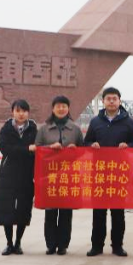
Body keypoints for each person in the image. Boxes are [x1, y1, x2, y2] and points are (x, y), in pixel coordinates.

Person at [84, 87, 133, 257]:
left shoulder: (129, 122)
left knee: (118, 212)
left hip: (119, 173)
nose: (111, 101)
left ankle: (117, 246)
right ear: (103, 101)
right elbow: (87, 142)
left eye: (114, 98)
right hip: (100, 173)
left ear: (120, 101)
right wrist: (91, 145)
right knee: (99, 212)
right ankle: (97, 246)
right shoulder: (95, 122)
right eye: (108, 98)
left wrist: (128, 146)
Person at [36, 95, 83, 255]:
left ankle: (63, 245)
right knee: (50, 212)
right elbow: (37, 149)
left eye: (64, 106)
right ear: (53, 108)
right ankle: (50, 244)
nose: (61, 109)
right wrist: (50, 147)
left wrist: (74, 149)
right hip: (49, 176)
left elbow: (83, 152)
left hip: (68, 176)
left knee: (65, 212)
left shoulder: (75, 129)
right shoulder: (43, 129)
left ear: (68, 109)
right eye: (58, 106)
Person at [0, 99, 37, 256]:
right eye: (18, 110)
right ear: (12, 112)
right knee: (7, 208)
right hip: (8, 174)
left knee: (23, 209)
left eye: (24, 111)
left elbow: (37, 148)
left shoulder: (33, 129)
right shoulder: (6, 129)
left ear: (28, 113)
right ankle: (8, 243)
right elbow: (4, 148)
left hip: (26, 175)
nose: (21, 114)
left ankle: (18, 242)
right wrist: (27, 149)